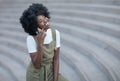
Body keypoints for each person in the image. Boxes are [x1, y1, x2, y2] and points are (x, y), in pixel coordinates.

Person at [19, 3, 68, 81]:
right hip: (36, 75)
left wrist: (55, 80)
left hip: (50, 71)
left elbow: (56, 59)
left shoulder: (55, 33)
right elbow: (37, 65)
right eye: (41, 21)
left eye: (45, 17)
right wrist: (40, 44)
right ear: (35, 26)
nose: (45, 21)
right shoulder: (31, 38)